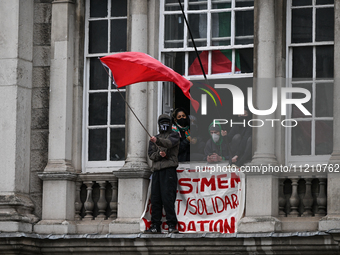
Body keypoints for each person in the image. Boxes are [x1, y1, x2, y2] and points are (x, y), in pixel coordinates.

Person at [145, 114, 180, 234]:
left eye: (166, 122)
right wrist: (159, 155)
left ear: (170, 124)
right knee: (155, 199)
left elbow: (169, 144)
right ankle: (155, 225)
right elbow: (151, 155)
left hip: (169, 171)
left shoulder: (174, 135)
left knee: (168, 198)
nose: (164, 124)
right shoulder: (154, 138)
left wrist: (158, 142)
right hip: (157, 172)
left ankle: (171, 224)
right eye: (162, 122)